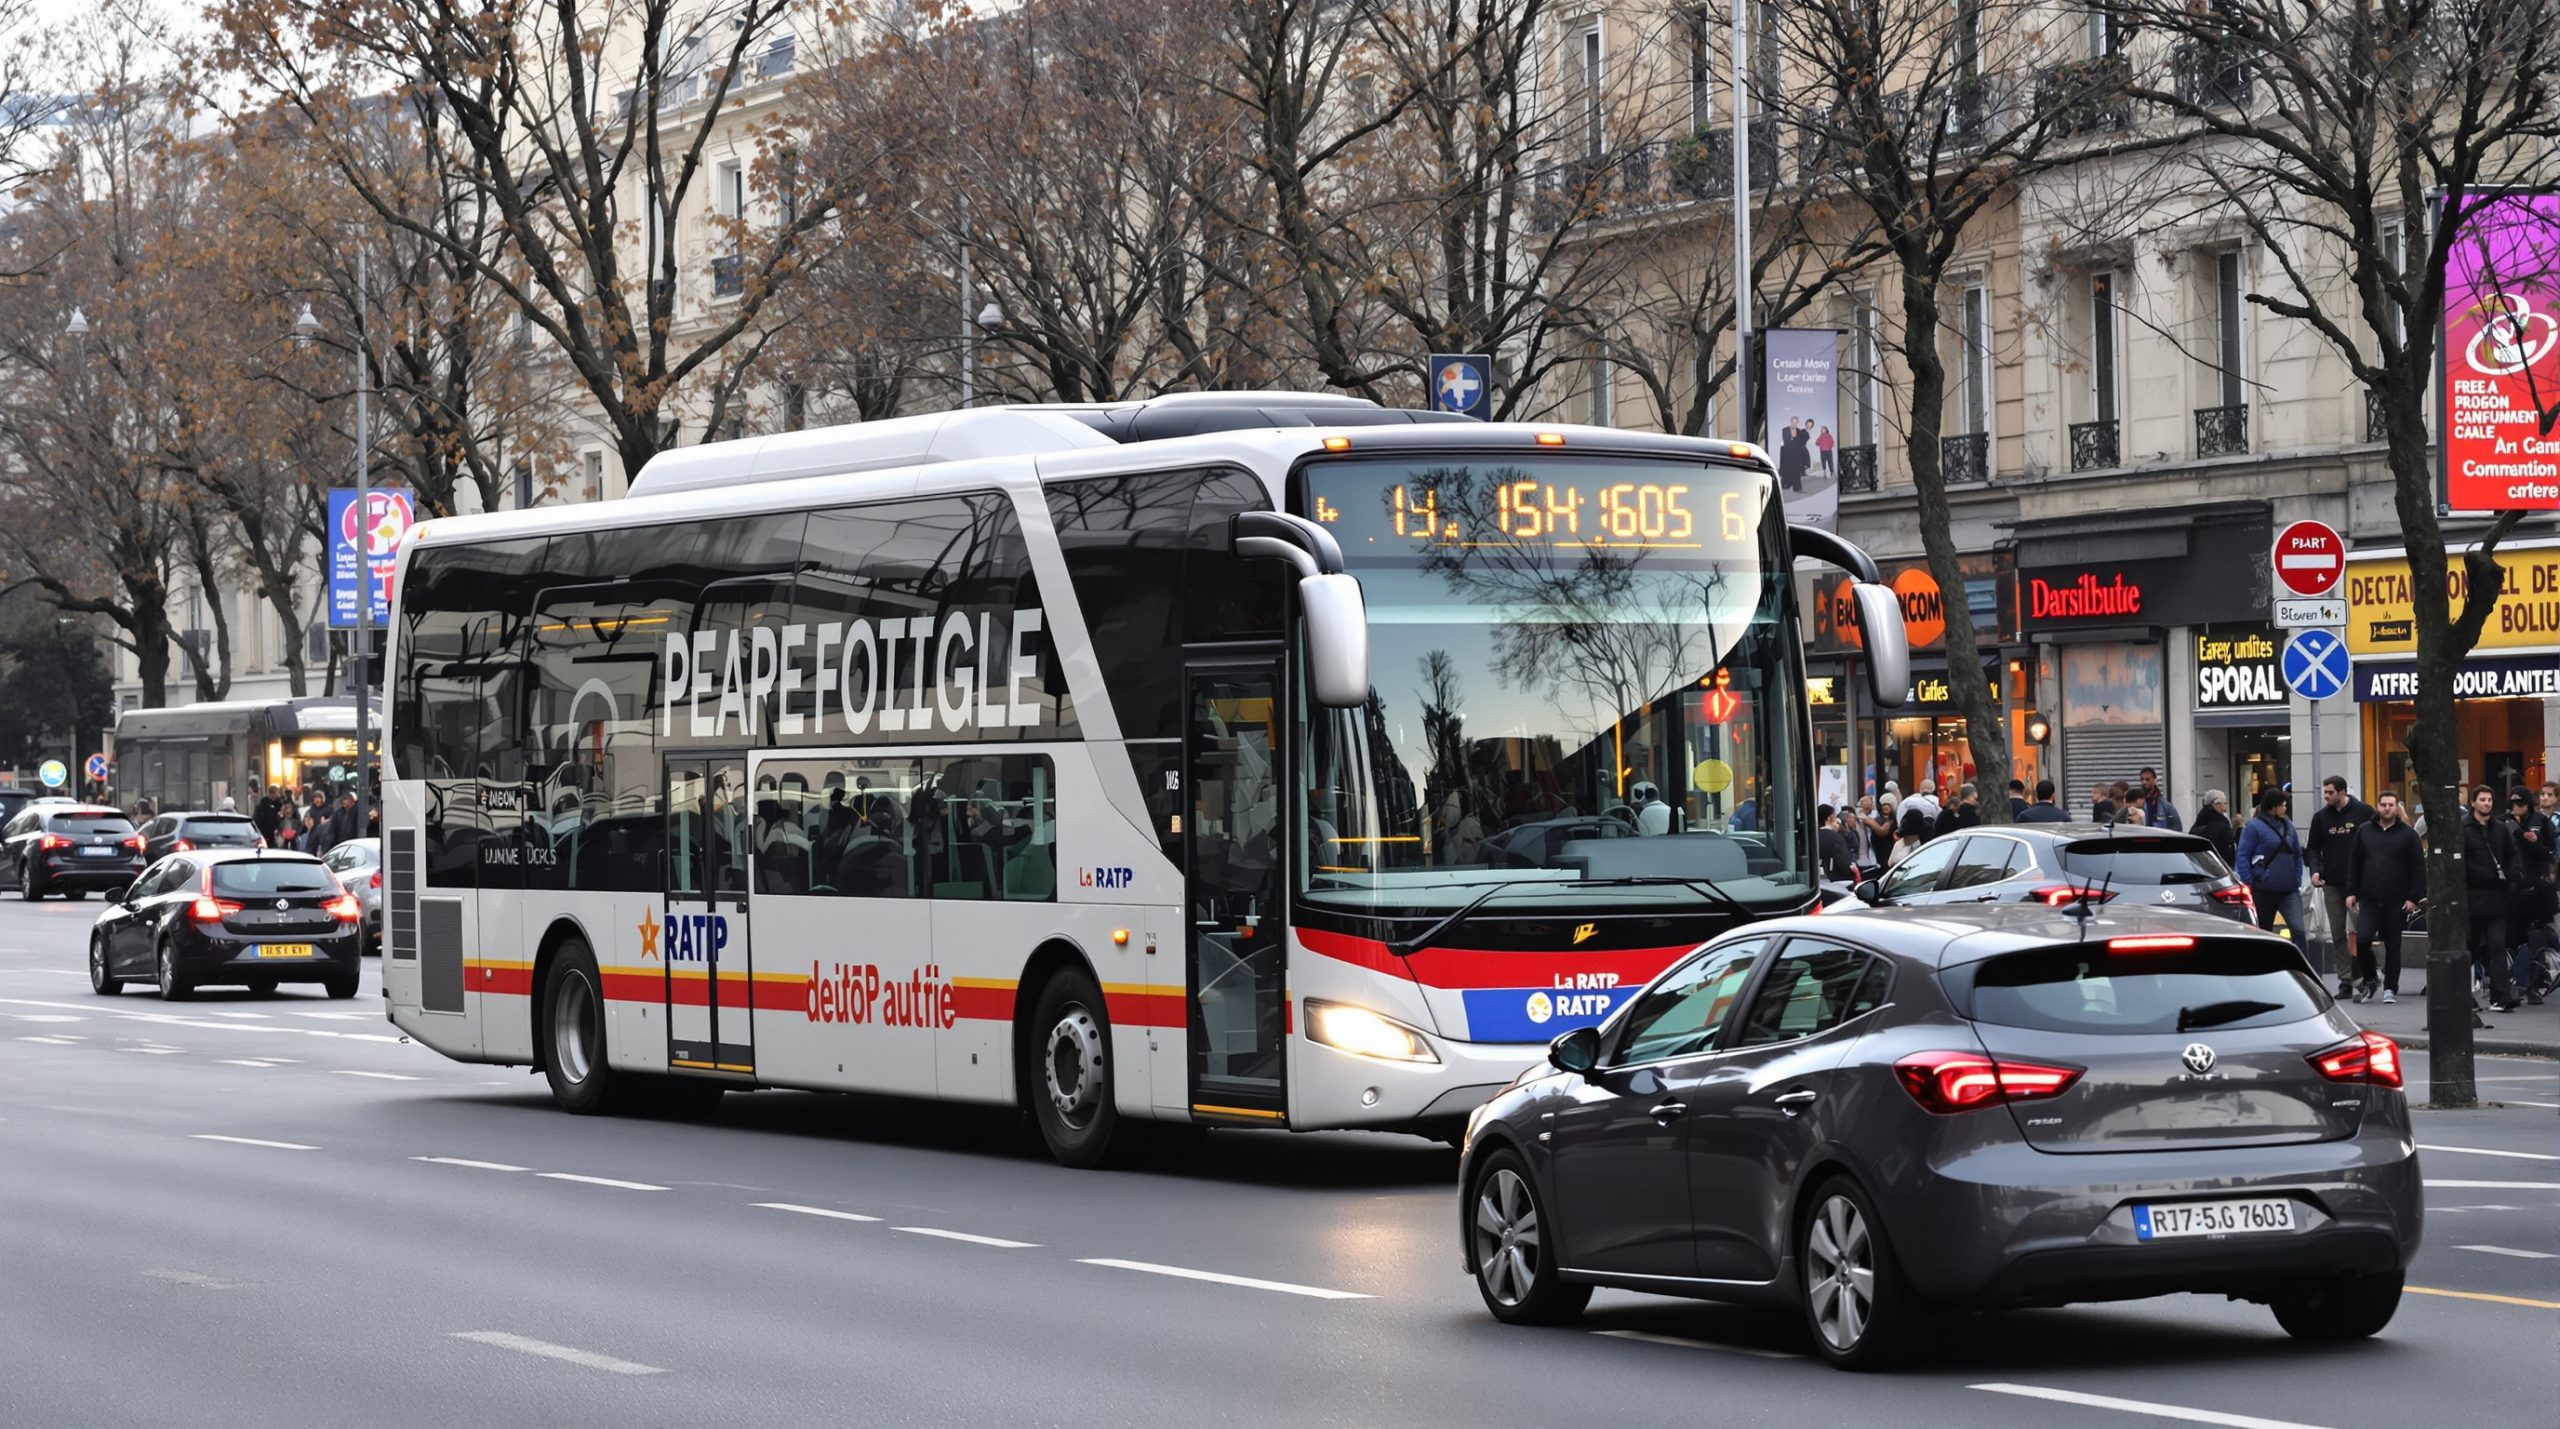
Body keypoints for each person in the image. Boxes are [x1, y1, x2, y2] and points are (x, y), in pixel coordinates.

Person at [2343, 790, 2423, 1004]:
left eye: (2391, 804)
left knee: (2393, 945)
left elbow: (2417, 867)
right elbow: (2355, 862)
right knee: (2362, 940)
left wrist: (2413, 897)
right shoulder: (2364, 831)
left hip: (2397, 899)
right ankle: (2370, 978)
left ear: (2397, 807)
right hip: (2368, 897)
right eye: (2383, 804)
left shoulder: (2408, 834)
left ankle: (2391, 988)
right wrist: (2352, 891)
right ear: (2377, 806)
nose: (2387, 808)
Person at [2304, 776, 2374, 999]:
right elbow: (2313, 848)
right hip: (2332, 882)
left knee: (2359, 933)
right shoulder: (2321, 817)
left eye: (2330, 792)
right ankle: (2346, 980)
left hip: (2360, 883)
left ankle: (2367, 974)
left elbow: (2375, 841)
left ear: (2343, 792)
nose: (2326, 796)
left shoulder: (2363, 812)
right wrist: (2315, 870)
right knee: (2337, 933)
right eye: (2325, 792)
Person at [2461, 784, 2525, 1012]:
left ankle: (2501, 996)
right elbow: (2461, 862)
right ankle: (2460, 995)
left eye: (2489, 799)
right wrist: (2484, 875)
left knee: (2498, 947)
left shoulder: (2500, 829)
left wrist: (2511, 876)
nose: (2487, 803)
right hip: (2473, 898)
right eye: (2482, 799)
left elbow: (2512, 854)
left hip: (2498, 899)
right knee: (2470, 949)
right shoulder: (2464, 828)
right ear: (2473, 803)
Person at [2235, 789, 2308, 958]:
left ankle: (2303, 969)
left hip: (2289, 889)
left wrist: (2297, 878)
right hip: (2263, 889)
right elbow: (2243, 855)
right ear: (2272, 807)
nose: (2285, 809)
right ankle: (2264, 966)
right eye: (2282, 805)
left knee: (2298, 929)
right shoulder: (2253, 827)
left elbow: (2297, 854)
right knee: (2263, 932)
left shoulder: (2288, 826)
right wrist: (2249, 882)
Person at [2510, 788, 2554, 1004]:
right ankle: (2520, 981)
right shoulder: (2505, 822)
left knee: (2538, 936)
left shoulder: (2540, 821)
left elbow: (2548, 851)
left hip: (2538, 889)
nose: (2516, 807)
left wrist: (2532, 840)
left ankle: (2531, 983)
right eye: (2513, 803)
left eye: (2520, 803)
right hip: (2515, 888)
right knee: (2518, 938)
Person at [2192, 790, 2238, 869]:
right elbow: (2227, 852)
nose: (2224, 807)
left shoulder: (2198, 823)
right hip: (2219, 869)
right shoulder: (2222, 826)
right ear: (2214, 805)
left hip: (2198, 867)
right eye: (2220, 803)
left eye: (2225, 803)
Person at [1817, 804, 1857, 883]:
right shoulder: (1835, 837)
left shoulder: (1814, 835)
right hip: (1836, 878)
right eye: (1835, 816)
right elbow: (1843, 861)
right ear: (1829, 818)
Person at [2137, 767, 2182, 831]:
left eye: (2147, 779)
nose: (2144, 782)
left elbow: (2177, 828)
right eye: (2142, 779)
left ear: (2155, 780)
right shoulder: (2137, 803)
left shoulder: (2166, 805)